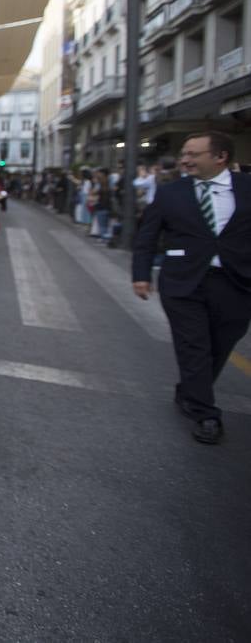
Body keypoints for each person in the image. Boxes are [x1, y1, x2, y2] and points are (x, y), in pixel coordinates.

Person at [133, 131, 250, 446]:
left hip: (236, 283)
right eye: (184, 154)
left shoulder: (246, 189)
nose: (185, 159)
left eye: (193, 154)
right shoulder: (171, 193)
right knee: (193, 345)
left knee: (220, 344)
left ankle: (190, 390)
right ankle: (205, 414)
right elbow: (147, 236)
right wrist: (141, 274)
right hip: (183, 282)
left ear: (220, 157)